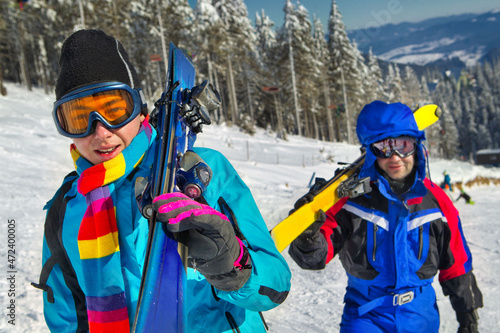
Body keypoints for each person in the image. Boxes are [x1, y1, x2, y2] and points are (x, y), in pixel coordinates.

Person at [33, 29, 291, 332]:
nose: (100, 131)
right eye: (79, 118)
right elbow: (66, 319)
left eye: (114, 110)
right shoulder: (64, 212)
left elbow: (277, 286)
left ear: (138, 108)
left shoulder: (200, 171)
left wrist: (231, 265)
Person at [289, 101, 482, 332]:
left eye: (403, 145)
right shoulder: (351, 199)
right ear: (371, 153)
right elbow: (316, 255)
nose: (395, 156)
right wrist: (307, 239)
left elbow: (457, 262)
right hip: (365, 315)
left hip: (420, 316)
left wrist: (467, 313)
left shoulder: (435, 201)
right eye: (384, 147)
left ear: (416, 147)